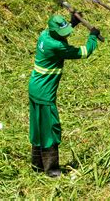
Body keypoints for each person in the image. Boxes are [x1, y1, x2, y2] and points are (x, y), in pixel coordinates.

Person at [29, 14, 100, 177]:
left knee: (37, 127)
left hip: (34, 88)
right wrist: (93, 36)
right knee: (50, 130)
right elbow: (84, 52)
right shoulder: (56, 46)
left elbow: (59, 34)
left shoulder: (45, 34)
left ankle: (37, 164)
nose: (66, 35)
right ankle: (52, 170)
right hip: (45, 94)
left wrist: (71, 24)